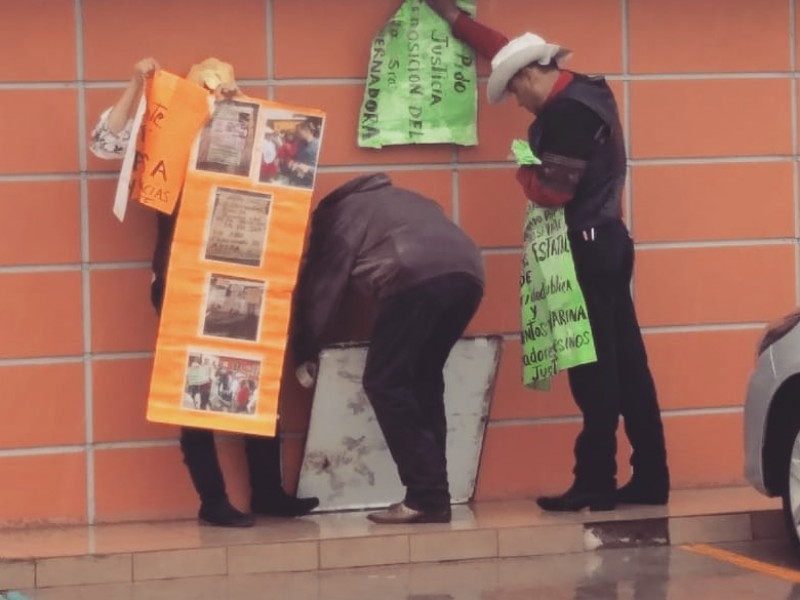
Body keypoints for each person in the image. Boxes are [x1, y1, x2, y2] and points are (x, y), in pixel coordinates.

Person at [424, 0, 669, 511]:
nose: (516, 100)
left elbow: (552, 192)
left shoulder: (568, 116)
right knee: (629, 365)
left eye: (515, 87)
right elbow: (504, 49)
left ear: (535, 73)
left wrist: (523, 167)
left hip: (586, 246)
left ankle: (596, 480)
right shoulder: (585, 90)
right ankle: (650, 477)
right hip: (608, 241)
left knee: (593, 367)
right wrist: (455, 20)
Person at [90, 57, 319, 527]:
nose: (220, 102)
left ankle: (268, 492)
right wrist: (137, 84)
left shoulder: (252, 140)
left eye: (227, 93)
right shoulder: (168, 141)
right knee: (194, 385)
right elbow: (105, 143)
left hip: (244, 278)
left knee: (256, 375)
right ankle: (212, 500)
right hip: (184, 280)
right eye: (211, 95)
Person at [291, 173, 485, 524]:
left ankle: (426, 495)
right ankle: (433, 497)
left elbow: (323, 290)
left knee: (385, 382)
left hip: (413, 276)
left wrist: (305, 349)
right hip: (469, 275)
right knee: (424, 379)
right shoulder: (407, 197)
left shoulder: (339, 215)